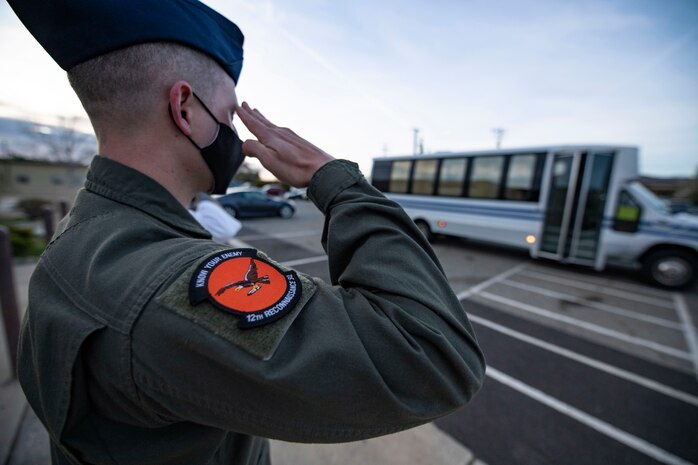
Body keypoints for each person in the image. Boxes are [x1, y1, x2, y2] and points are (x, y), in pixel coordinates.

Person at [8, 1, 486, 464]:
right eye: (231, 116)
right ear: (185, 108)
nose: (240, 138)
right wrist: (338, 183)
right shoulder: (158, 281)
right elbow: (432, 357)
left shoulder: (89, 234)